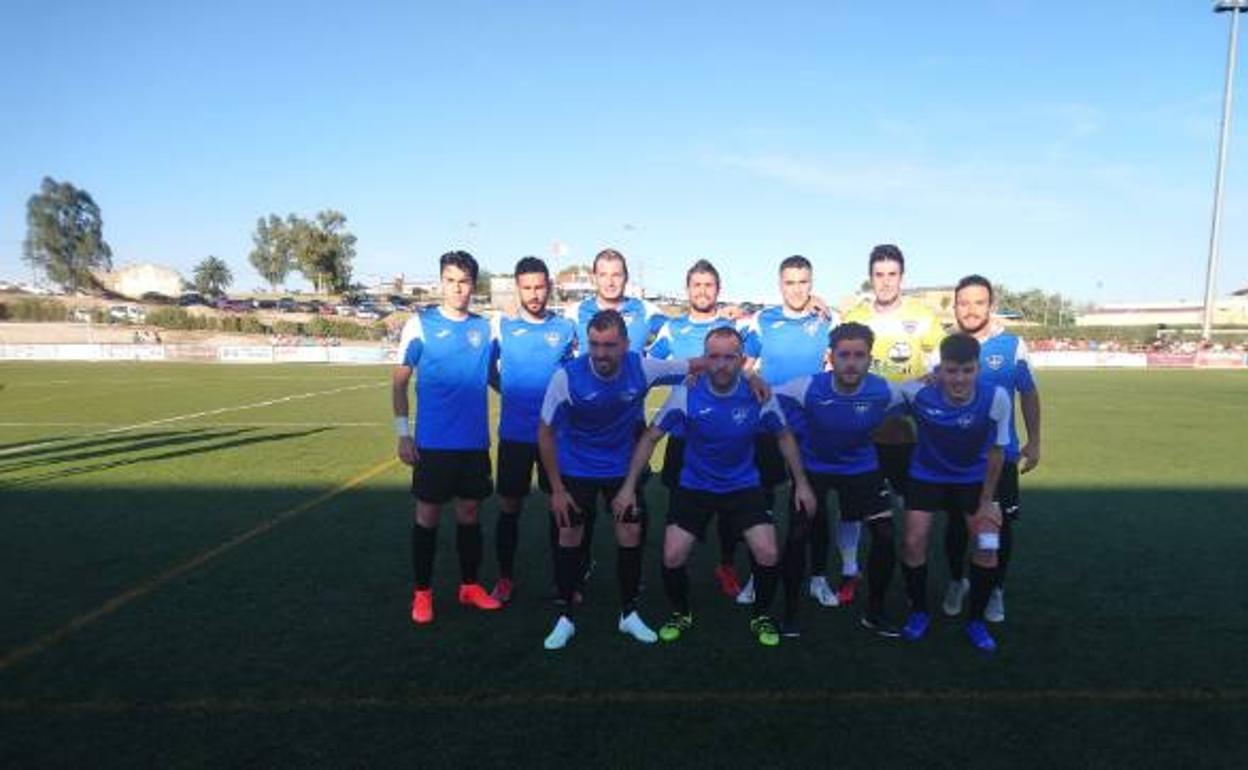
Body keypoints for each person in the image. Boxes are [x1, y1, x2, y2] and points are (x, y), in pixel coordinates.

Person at [615, 327, 815, 647]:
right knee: (671, 556)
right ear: (704, 359)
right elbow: (651, 437)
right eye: (713, 356)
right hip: (695, 485)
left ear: (742, 360)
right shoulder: (686, 393)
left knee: (767, 551)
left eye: (729, 357)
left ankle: (761, 614)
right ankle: (681, 613)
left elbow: (784, 436)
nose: (720, 364)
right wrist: (627, 487)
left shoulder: (759, 395)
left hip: (742, 485)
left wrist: (802, 484)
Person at [775, 322, 907, 637]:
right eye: (844, 354)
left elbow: (925, 398)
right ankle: (790, 613)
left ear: (869, 358)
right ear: (830, 357)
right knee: (797, 535)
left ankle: (874, 611)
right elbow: (766, 395)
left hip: (862, 469)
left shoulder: (884, 390)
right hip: (814, 469)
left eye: (859, 355)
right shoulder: (806, 386)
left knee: (886, 534)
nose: (851, 362)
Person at [393, 250, 501, 625]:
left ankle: (469, 586)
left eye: (465, 281)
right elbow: (399, 382)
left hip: (473, 443)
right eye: (451, 280)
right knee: (427, 517)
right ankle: (422, 594)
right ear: (442, 282)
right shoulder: (419, 325)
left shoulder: (486, 328)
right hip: (433, 444)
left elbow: (493, 376)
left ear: (474, 285)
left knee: (470, 514)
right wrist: (403, 435)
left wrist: (523, 400)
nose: (458, 288)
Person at [842, 244, 946, 608]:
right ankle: (849, 569)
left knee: (911, 507)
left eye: (892, 274)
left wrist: (911, 389)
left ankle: (912, 564)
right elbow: (840, 363)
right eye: (879, 274)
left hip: (907, 434)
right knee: (853, 506)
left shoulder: (924, 317)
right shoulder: (854, 314)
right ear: (871, 277)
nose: (885, 282)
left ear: (902, 277)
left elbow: (939, 369)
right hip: (863, 431)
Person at [896, 334, 1011, 653]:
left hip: (973, 479)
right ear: (939, 369)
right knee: (912, 540)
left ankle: (976, 620)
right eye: (950, 370)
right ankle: (918, 611)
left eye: (967, 370)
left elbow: (998, 452)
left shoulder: (996, 397)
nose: (959, 378)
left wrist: (988, 502)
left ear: (977, 369)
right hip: (926, 475)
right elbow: (882, 406)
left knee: (988, 544)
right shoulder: (916, 392)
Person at [736, 255, 838, 607]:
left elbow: (848, 352)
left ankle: (818, 577)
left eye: (803, 282)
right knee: (759, 503)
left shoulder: (828, 319)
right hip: (768, 426)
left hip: (812, 429)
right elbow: (743, 367)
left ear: (812, 283)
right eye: (790, 282)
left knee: (813, 505)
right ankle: (756, 574)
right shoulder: (763, 321)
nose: (797, 289)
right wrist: (755, 379)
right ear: (780, 284)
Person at [647, 259, 746, 599]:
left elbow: (747, 365)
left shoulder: (733, 327)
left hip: (726, 435)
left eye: (709, 285)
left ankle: (727, 565)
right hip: (683, 434)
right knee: (680, 502)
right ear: (687, 289)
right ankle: (679, 564)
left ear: (718, 290)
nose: (702, 291)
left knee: (730, 509)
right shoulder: (672, 329)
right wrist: (686, 373)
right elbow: (653, 365)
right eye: (696, 285)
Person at [951, 274, 1041, 623]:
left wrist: (1035, 441)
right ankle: (958, 581)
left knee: (998, 524)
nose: (971, 309)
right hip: (957, 458)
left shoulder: (1012, 345)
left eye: (978, 302)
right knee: (958, 526)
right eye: (964, 302)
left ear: (990, 305)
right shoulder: (946, 345)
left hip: (1000, 455)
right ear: (955, 306)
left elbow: (1030, 393)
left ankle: (995, 591)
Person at [488, 256, 577, 604]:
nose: (534, 293)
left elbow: (574, 376)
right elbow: (485, 369)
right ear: (517, 288)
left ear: (549, 287)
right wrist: (507, 389)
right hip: (514, 436)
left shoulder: (566, 329)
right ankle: (506, 578)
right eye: (527, 287)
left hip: (556, 437)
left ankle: (564, 582)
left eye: (540, 286)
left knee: (560, 508)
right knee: (509, 507)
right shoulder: (503, 326)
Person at [569, 248, 667, 354]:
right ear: (594, 279)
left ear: (626, 278)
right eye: (603, 275)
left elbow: (676, 337)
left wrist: (651, 360)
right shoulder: (575, 312)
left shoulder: (647, 310)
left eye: (616, 275)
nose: (610, 282)